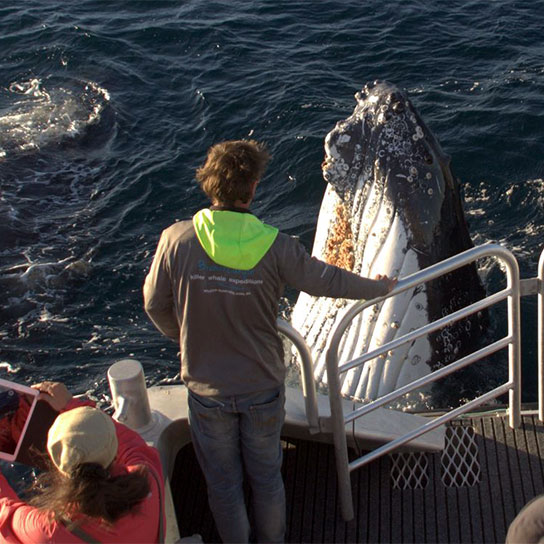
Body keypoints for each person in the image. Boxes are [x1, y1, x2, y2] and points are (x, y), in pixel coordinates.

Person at [143, 139, 397, 543]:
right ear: (254, 186)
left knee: (223, 486)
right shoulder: (276, 246)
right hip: (261, 387)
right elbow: (327, 281)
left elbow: (155, 304)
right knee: (266, 480)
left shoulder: (177, 240)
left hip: (207, 391)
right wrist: (377, 289)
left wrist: (186, 336)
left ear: (209, 184)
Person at [0, 381, 164, 543]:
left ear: (58, 463)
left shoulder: (48, 529)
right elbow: (130, 442)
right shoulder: (148, 477)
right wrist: (72, 404)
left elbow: (5, 516)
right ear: (112, 445)